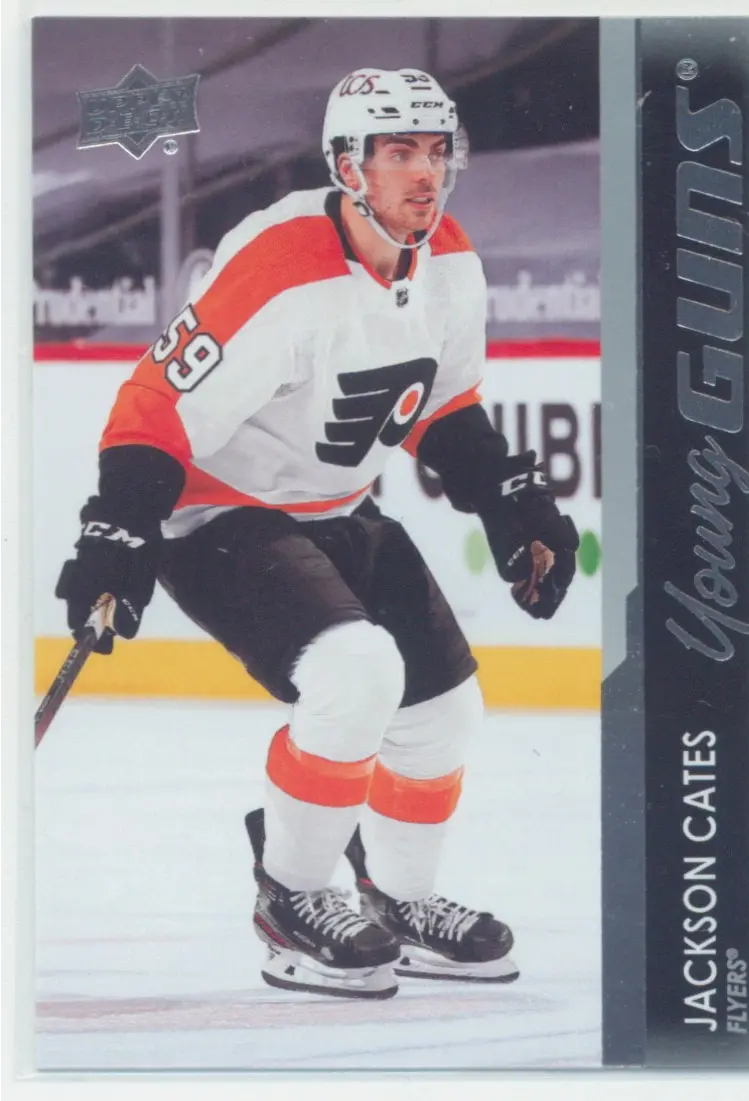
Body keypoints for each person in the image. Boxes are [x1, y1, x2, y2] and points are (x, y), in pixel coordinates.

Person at [55, 67, 579, 1001]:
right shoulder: (280, 267)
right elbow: (153, 406)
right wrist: (118, 529)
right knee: (356, 673)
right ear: (347, 166)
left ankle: (400, 899)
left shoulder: (449, 262)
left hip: (339, 507)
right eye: (399, 152)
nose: (426, 173)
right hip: (217, 514)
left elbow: (440, 402)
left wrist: (507, 498)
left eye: (436, 151)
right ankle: (290, 895)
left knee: (444, 709)